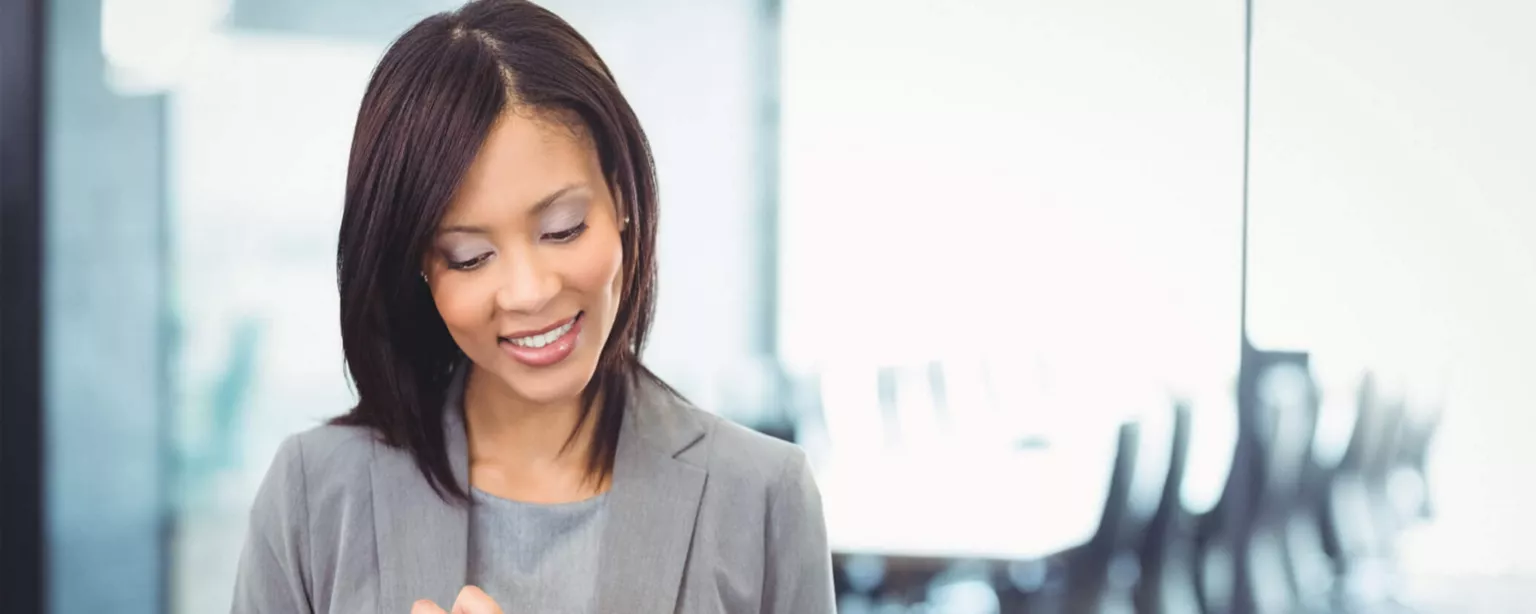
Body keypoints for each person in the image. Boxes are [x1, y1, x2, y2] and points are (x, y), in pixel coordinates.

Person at [230, 1, 834, 612]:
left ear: (621, 197)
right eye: (468, 256)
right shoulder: (312, 497)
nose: (529, 291)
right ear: (419, 266)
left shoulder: (763, 498)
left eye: (564, 228)